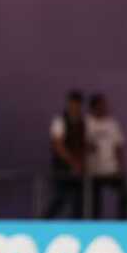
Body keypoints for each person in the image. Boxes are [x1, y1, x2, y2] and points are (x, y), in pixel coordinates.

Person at [86, 94, 127, 219]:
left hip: (111, 170)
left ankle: (122, 222)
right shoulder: (86, 123)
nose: (104, 108)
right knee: (93, 204)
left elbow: (119, 147)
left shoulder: (112, 124)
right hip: (93, 171)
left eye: (105, 106)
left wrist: (121, 168)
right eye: (101, 106)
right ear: (93, 107)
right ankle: (93, 227)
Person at [44, 90, 86, 219]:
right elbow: (58, 145)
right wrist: (72, 162)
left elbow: (83, 144)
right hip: (62, 167)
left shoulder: (83, 122)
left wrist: (81, 163)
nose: (75, 107)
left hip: (78, 168)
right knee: (60, 197)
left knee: (79, 201)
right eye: (73, 104)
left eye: (78, 104)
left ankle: (77, 229)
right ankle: (42, 224)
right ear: (69, 104)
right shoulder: (60, 121)